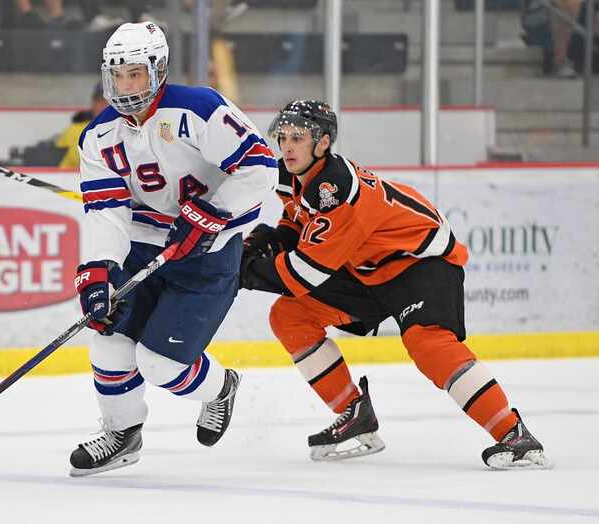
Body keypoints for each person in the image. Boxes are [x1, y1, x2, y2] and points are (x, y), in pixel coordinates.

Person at [238, 100, 550, 470]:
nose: (287, 146)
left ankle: (513, 433)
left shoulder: (338, 190)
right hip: (367, 270)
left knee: (428, 343)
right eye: (283, 136)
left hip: (420, 262)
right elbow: (298, 219)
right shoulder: (290, 177)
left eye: (298, 138)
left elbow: (307, 272)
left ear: (322, 143)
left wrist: (248, 272)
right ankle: (354, 414)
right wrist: (276, 239)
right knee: (290, 316)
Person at [69, 21, 277, 477]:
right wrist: (99, 268)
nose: (125, 87)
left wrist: (213, 213)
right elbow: (107, 213)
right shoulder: (98, 137)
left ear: (158, 70)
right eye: (118, 75)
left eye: (135, 75)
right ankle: (123, 433)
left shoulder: (200, 109)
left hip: (209, 252)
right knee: (108, 340)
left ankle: (220, 388)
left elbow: (262, 169)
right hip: (144, 246)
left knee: (160, 365)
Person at [53, 82, 108, 169]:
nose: (102, 106)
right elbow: (58, 166)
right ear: (93, 103)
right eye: (99, 101)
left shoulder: (127, 128)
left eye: (107, 102)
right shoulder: (73, 130)